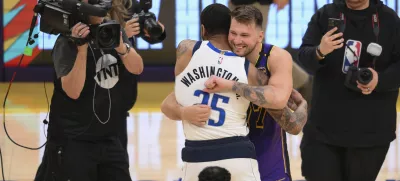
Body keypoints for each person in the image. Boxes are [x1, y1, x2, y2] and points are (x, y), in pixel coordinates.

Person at [162, 5, 307, 181]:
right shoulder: (216, 60)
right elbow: (169, 103)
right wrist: (184, 112)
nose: (237, 40)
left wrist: (230, 85)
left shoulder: (272, 58)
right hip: (229, 149)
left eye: (244, 35)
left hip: (265, 150)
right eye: (233, 33)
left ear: (260, 35)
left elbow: (291, 122)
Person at [33, 0, 144, 180]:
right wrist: (82, 50)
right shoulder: (66, 43)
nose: (101, 7)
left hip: (110, 136)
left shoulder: (113, 32)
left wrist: (122, 47)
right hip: (75, 140)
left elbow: (137, 68)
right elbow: (73, 91)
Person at [298, 0, 400, 180]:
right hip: (323, 131)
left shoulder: (389, 19)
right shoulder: (326, 14)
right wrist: (320, 51)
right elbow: (305, 58)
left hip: (371, 134)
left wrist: (379, 79)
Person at [228, 0, 312, 105]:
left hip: (254, 3)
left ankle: (301, 81)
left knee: (253, 50)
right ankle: (301, 82)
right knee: (242, 50)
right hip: (238, 4)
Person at [108, 0, 167, 151]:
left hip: (122, 87)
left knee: (118, 153)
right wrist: (122, 35)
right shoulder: (94, 6)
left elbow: (149, 35)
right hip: (103, 83)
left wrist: (155, 30)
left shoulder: (129, 4)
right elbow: (93, 45)